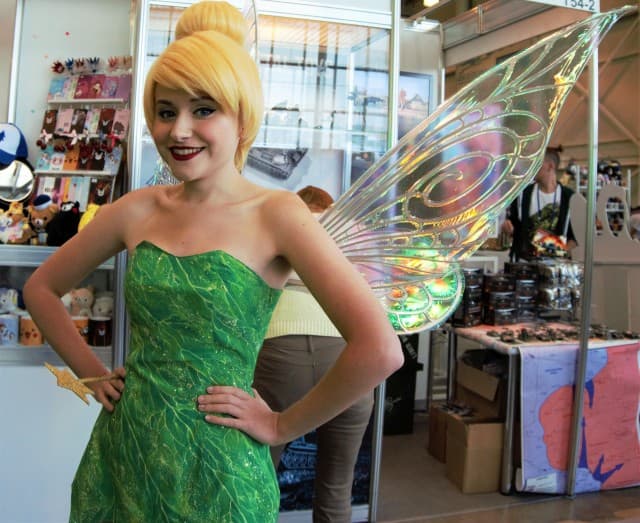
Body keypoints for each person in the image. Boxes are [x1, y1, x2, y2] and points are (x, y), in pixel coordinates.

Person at [22, 2, 402, 522]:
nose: (179, 130)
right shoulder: (135, 210)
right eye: (165, 111)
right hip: (126, 451)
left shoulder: (278, 214)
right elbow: (40, 289)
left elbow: (380, 348)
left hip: (221, 467)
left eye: (203, 110)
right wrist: (92, 375)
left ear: (242, 116)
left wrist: (281, 425)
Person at [253, 185, 374, 523]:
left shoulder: (276, 225)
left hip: (281, 351)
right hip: (350, 354)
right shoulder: (355, 233)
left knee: (257, 472)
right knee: (337, 485)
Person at [501, 146, 577, 261]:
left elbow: (576, 237)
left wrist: (558, 250)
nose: (532, 167)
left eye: (537, 163)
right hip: (523, 265)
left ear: (550, 166)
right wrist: (508, 227)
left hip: (556, 266)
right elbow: (513, 226)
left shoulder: (570, 198)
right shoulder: (522, 194)